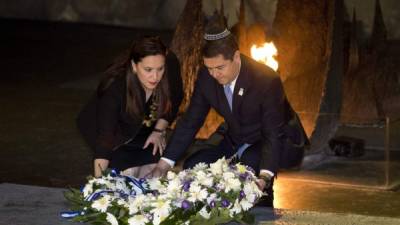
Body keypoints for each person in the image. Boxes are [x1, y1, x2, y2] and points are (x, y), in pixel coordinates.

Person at [148, 19, 308, 207]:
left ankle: (264, 189)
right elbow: (192, 119)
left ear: (236, 57)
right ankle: (225, 191)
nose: (215, 74)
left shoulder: (266, 79)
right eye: (209, 68)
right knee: (193, 166)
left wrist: (264, 177)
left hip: (275, 138)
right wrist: (164, 164)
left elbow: (272, 133)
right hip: (236, 136)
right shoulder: (207, 76)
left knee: (250, 165)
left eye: (220, 68)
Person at [77, 36, 183, 178]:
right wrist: (99, 184)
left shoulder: (170, 65)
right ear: (134, 66)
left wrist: (159, 130)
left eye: (160, 69)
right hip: (114, 134)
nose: (155, 76)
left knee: (156, 176)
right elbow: (106, 138)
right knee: (124, 178)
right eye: (148, 69)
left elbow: (174, 100)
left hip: (146, 128)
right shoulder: (115, 87)